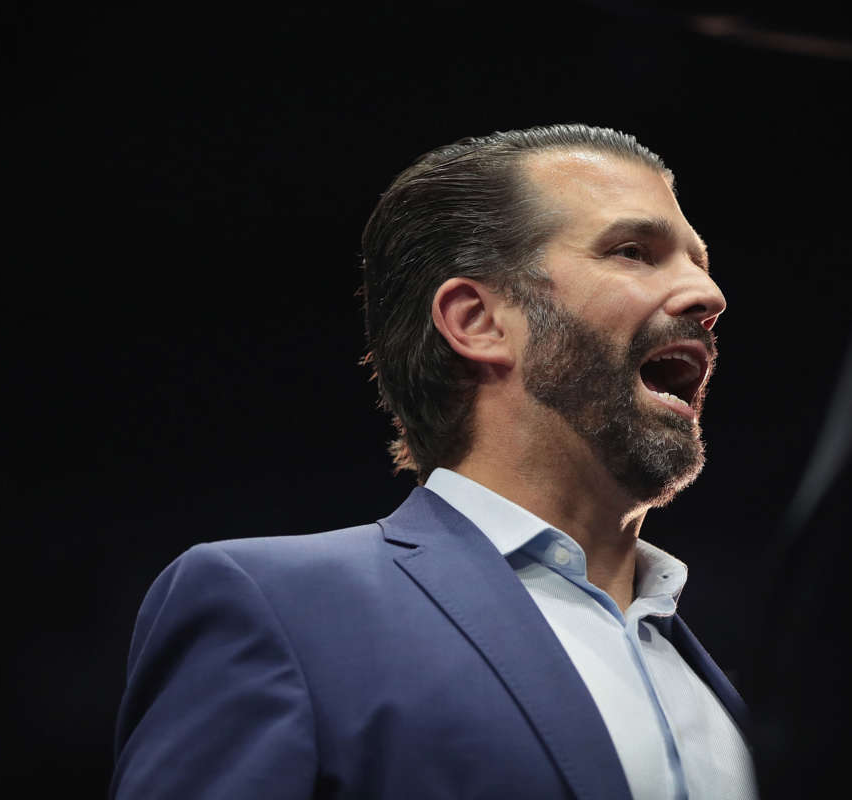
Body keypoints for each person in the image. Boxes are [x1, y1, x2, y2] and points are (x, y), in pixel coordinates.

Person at [111, 123, 757, 800]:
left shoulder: (722, 695)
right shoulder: (281, 610)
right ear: (478, 321)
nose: (708, 298)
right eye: (633, 252)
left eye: (700, 264)